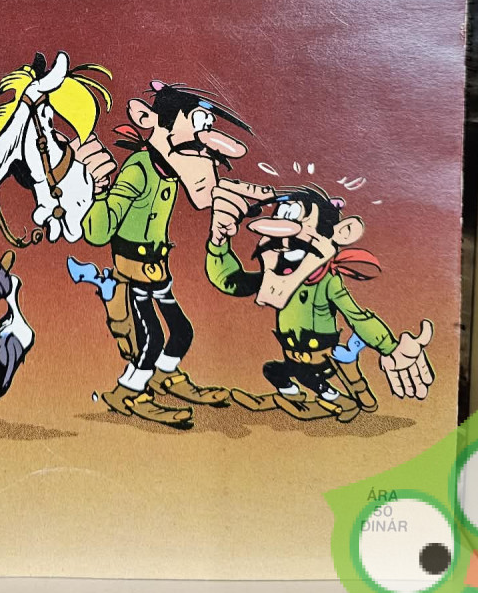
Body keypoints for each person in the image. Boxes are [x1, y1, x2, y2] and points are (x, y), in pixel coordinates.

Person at [79, 80, 252, 429]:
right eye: (197, 124)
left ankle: (164, 376)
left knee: (182, 331)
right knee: (151, 337)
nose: (203, 141)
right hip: (132, 271)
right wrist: (97, 192)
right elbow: (98, 232)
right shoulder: (139, 169)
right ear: (154, 121)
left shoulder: (170, 173)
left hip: (158, 269)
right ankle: (127, 391)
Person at [206, 182, 434, 421]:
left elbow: (357, 316)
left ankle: (340, 401)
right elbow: (231, 282)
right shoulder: (275, 277)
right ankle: (293, 396)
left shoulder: (327, 282)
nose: (282, 238)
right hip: (292, 352)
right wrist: (218, 246)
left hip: (319, 355)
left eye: (296, 222)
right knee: (273, 371)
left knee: (309, 378)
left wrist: (389, 347)